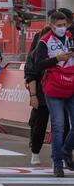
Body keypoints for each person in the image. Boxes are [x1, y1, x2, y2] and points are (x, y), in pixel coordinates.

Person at [35, 11, 74, 177]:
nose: (62, 28)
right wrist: (57, 58)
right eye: (58, 26)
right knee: (58, 126)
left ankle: (66, 150)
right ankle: (57, 163)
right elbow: (38, 64)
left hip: (71, 85)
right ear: (51, 26)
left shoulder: (71, 38)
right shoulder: (44, 41)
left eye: (64, 25)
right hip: (54, 87)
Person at [25, 25, 52, 165]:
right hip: (42, 94)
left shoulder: (62, 52)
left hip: (59, 94)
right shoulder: (35, 54)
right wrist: (33, 95)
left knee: (61, 125)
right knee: (40, 125)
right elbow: (31, 76)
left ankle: (59, 155)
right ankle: (35, 152)